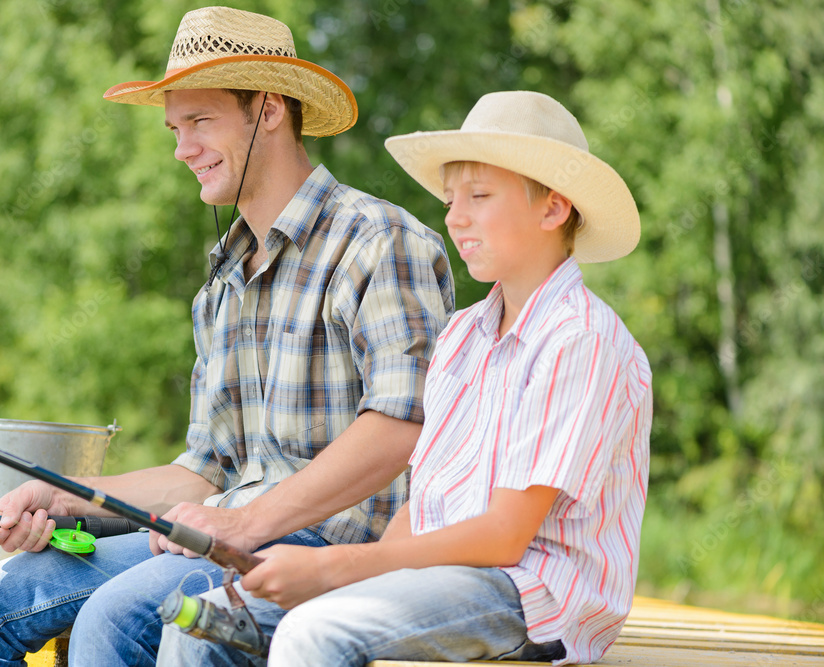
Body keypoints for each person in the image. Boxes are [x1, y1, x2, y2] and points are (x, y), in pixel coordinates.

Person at [0, 7, 454, 666]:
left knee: (113, 622)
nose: (182, 148)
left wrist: (244, 521)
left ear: (267, 111)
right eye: (175, 128)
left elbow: (403, 425)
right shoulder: (220, 285)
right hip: (223, 535)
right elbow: (202, 471)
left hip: (332, 549)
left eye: (201, 121)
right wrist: (65, 496)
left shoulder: (380, 241)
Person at [157, 90, 653, 666]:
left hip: (526, 594)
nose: (454, 217)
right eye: (450, 199)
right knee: (204, 627)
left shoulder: (580, 340)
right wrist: (343, 581)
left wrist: (331, 568)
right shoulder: (465, 335)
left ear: (552, 209)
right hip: (437, 575)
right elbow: (424, 506)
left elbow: (503, 537)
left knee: (313, 634)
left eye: (479, 197)